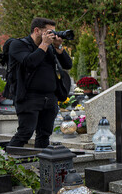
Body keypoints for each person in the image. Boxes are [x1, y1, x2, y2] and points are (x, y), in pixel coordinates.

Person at [7, 18, 73, 149]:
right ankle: (5, 162)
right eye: (49, 32)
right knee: (25, 133)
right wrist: (44, 44)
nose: (52, 35)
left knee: (44, 135)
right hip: (28, 97)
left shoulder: (49, 47)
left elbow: (68, 65)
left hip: (50, 97)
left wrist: (58, 46)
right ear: (37, 30)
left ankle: (43, 165)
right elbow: (29, 63)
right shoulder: (18, 45)